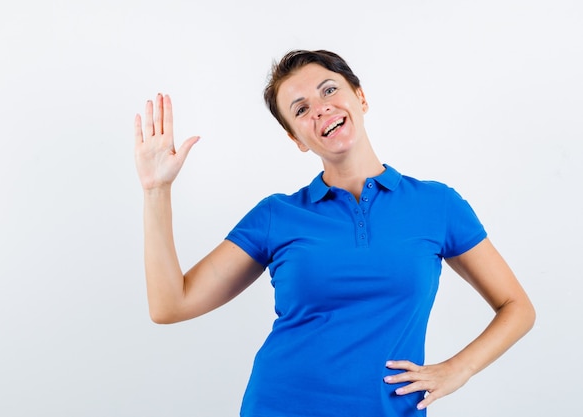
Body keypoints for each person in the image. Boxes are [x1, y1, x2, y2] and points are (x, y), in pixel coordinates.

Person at [133, 50, 535, 417]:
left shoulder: (438, 205)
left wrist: (456, 371)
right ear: (296, 139)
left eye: (329, 90)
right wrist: (157, 191)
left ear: (360, 97)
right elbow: (170, 305)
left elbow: (516, 306)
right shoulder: (277, 215)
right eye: (301, 108)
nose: (321, 108)